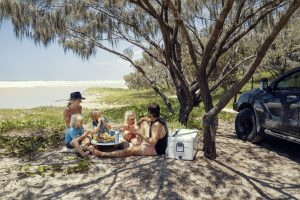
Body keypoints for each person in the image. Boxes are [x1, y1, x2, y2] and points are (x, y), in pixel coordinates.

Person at [86, 103, 168, 157]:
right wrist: (142, 119)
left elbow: (153, 142)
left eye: (147, 111)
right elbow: (144, 121)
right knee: (143, 123)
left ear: (150, 113)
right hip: (152, 144)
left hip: (156, 150)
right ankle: (139, 142)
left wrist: (140, 134)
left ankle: (104, 154)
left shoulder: (157, 125)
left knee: (129, 151)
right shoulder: (158, 119)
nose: (146, 113)